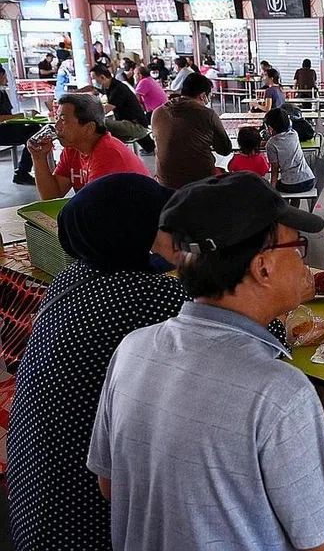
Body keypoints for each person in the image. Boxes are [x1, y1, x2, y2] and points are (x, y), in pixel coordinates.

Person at [86, 172, 324, 550]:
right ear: (262, 267)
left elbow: (110, 485)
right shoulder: (279, 392)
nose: (305, 263)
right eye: (297, 248)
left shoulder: (132, 349)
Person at [6, 174, 189, 550]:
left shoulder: (73, 276)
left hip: (33, 506)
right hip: (83, 521)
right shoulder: (148, 297)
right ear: (135, 231)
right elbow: (249, 325)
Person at [27, 94, 151, 199]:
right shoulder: (72, 149)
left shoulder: (109, 154)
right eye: (57, 118)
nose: (57, 126)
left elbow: (93, 208)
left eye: (63, 120)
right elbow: (52, 196)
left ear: (89, 127)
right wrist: (38, 158)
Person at [152, 72, 231, 189]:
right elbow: (225, 149)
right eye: (209, 97)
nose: (208, 101)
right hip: (200, 182)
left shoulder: (157, 112)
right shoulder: (207, 114)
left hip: (165, 181)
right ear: (203, 96)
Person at [90, 63, 156, 155]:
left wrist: (88, 115)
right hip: (133, 123)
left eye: (94, 79)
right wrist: (76, 92)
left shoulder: (118, 89)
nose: (93, 81)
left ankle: (109, 154)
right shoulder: (110, 86)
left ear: (102, 77)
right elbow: (92, 88)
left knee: (99, 123)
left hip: (136, 126)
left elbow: (105, 110)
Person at [0, 65, 37, 185]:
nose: (7, 79)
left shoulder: (2, 93)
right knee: (34, 135)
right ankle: (23, 172)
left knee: (36, 129)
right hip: (2, 133)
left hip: (6, 129)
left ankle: (32, 165)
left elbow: (8, 115)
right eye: (5, 75)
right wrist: (23, 116)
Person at [264, 108, 314, 195]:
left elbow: (275, 168)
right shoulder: (294, 134)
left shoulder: (270, 145)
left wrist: (272, 188)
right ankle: (294, 207)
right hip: (309, 181)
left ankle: (286, 208)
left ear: (270, 128)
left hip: (290, 185)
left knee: (274, 186)